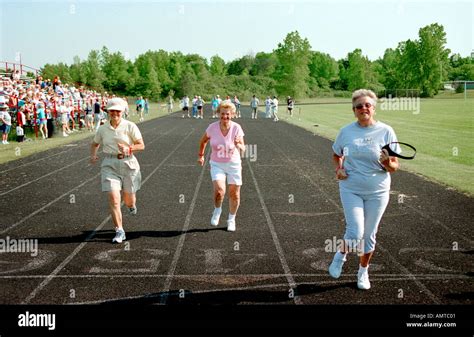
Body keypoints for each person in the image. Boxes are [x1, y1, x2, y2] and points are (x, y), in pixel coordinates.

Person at [328, 89, 400, 290]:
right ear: (354, 110)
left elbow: (394, 167)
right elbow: (336, 154)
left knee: (369, 235)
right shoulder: (346, 132)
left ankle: (363, 272)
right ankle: (339, 257)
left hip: (378, 190)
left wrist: (387, 163)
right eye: (359, 106)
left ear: (373, 108)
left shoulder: (386, 131)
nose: (363, 108)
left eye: (367, 105)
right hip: (351, 188)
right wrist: (339, 168)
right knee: (355, 231)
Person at [90, 97, 145, 243]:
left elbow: (141, 145)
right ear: (108, 112)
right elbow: (95, 143)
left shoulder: (130, 126)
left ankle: (131, 206)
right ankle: (119, 230)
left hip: (128, 163)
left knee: (129, 200)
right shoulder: (102, 128)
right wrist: (94, 155)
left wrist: (129, 148)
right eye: (112, 110)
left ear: (122, 112)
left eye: (117, 111)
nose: (115, 113)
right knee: (114, 199)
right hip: (109, 164)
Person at [197, 101, 245, 232]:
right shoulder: (212, 127)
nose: (225, 117)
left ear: (233, 114)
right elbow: (203, 141)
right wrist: (201, 155)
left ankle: (231, 219)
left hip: (233, 164)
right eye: (222, 114)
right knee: (219, 191)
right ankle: (217, 210)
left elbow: (243, 149)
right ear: (218, 114)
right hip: (217, 163)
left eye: (227, 114)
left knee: (234, 194)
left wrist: (238, 144)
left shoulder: (237, 128)